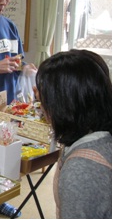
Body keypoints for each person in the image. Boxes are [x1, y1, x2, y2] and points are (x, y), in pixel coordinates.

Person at [35, 49, 112, 219]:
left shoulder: (82, 168)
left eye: (44, 99)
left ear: (63, 106)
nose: (41, 107)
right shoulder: (102, 139)